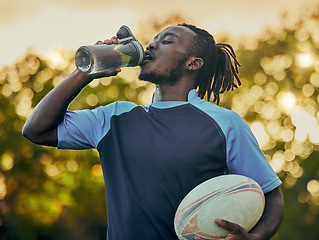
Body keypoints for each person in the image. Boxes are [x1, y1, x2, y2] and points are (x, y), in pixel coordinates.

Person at [23, 23, 284, 240]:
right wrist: (85, 73)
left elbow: (271, 196)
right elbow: (37, 130)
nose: (151, 45)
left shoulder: (224, 123)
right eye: (153, 40)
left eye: (167, 41)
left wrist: (254, 238)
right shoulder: (113, 117)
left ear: (192, 63)